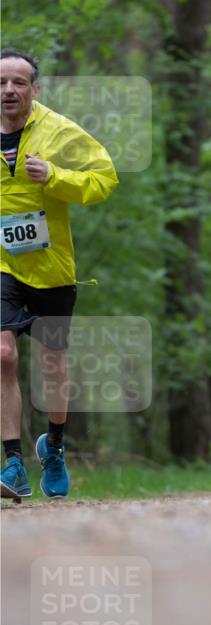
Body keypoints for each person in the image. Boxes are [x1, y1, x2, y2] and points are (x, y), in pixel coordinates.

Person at [0, 49, 118, 500]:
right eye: (2, 83)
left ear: (35, 89)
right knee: (4, 355)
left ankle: (54, 448)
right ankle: (12, 463)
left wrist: (53, 176)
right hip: (3, 262)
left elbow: (105, 178)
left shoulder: (58, 130)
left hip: (51, 265)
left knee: (52, 364)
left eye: (19, 83)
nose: (9, 90)